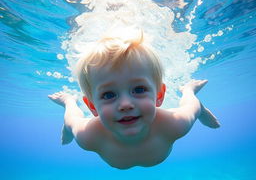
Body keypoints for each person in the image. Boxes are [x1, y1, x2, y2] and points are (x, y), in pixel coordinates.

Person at [48, 28, 220, 169]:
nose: (125, 104)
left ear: (159, 95)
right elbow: (72, 120)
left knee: (190, 99)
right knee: (71, 115)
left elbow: (193, 106)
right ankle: (68, 100)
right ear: (92, 106)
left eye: (139, 89)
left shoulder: (175, 124)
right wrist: (68, 108)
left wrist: (198, 107)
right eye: (108, 95)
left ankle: (188, 88)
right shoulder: (89, 135)